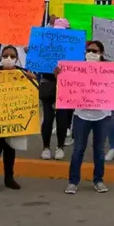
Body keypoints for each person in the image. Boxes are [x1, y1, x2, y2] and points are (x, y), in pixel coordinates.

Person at [63, 42, 114, 194]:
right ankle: (73, 181)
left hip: (102, 116)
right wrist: (59, 74)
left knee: (99, 149)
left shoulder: (110, 70)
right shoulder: (76, 68)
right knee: (78, 148)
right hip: (81, 115)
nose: (91, 53)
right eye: (89, 50)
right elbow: (66, 83)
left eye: (95, 51)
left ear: (102, 53)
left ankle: (98, 180)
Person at [0, 45, 36, 192]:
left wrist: (32, 80)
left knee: (10, 148)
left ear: (17, 58)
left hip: (14, 117)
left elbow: (34, 91)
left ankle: (9, 178)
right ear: (1, 57)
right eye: (5, 55)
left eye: (12, 56)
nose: (8, 58)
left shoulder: (23, 73)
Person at [39, 18, 74, 160]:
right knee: (47, 119)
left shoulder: (72, 48)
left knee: (62, 119)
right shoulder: (46, 46)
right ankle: (46, 147)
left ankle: (60, 147)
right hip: (49, 85)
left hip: (65, 87)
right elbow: (40, 66)